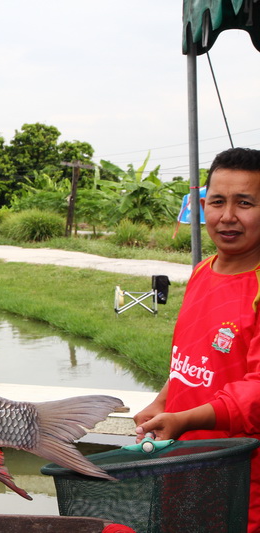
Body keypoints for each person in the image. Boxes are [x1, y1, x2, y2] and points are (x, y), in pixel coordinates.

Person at [134, 147, 260, 532]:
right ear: (203, 205)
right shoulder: (203, 272)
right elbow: (192, 362)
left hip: (242, 486)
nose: (228, 217)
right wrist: (162, 400)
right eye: (218, 202)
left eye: (245, 203)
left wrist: (185, 419)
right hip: (183, 472)